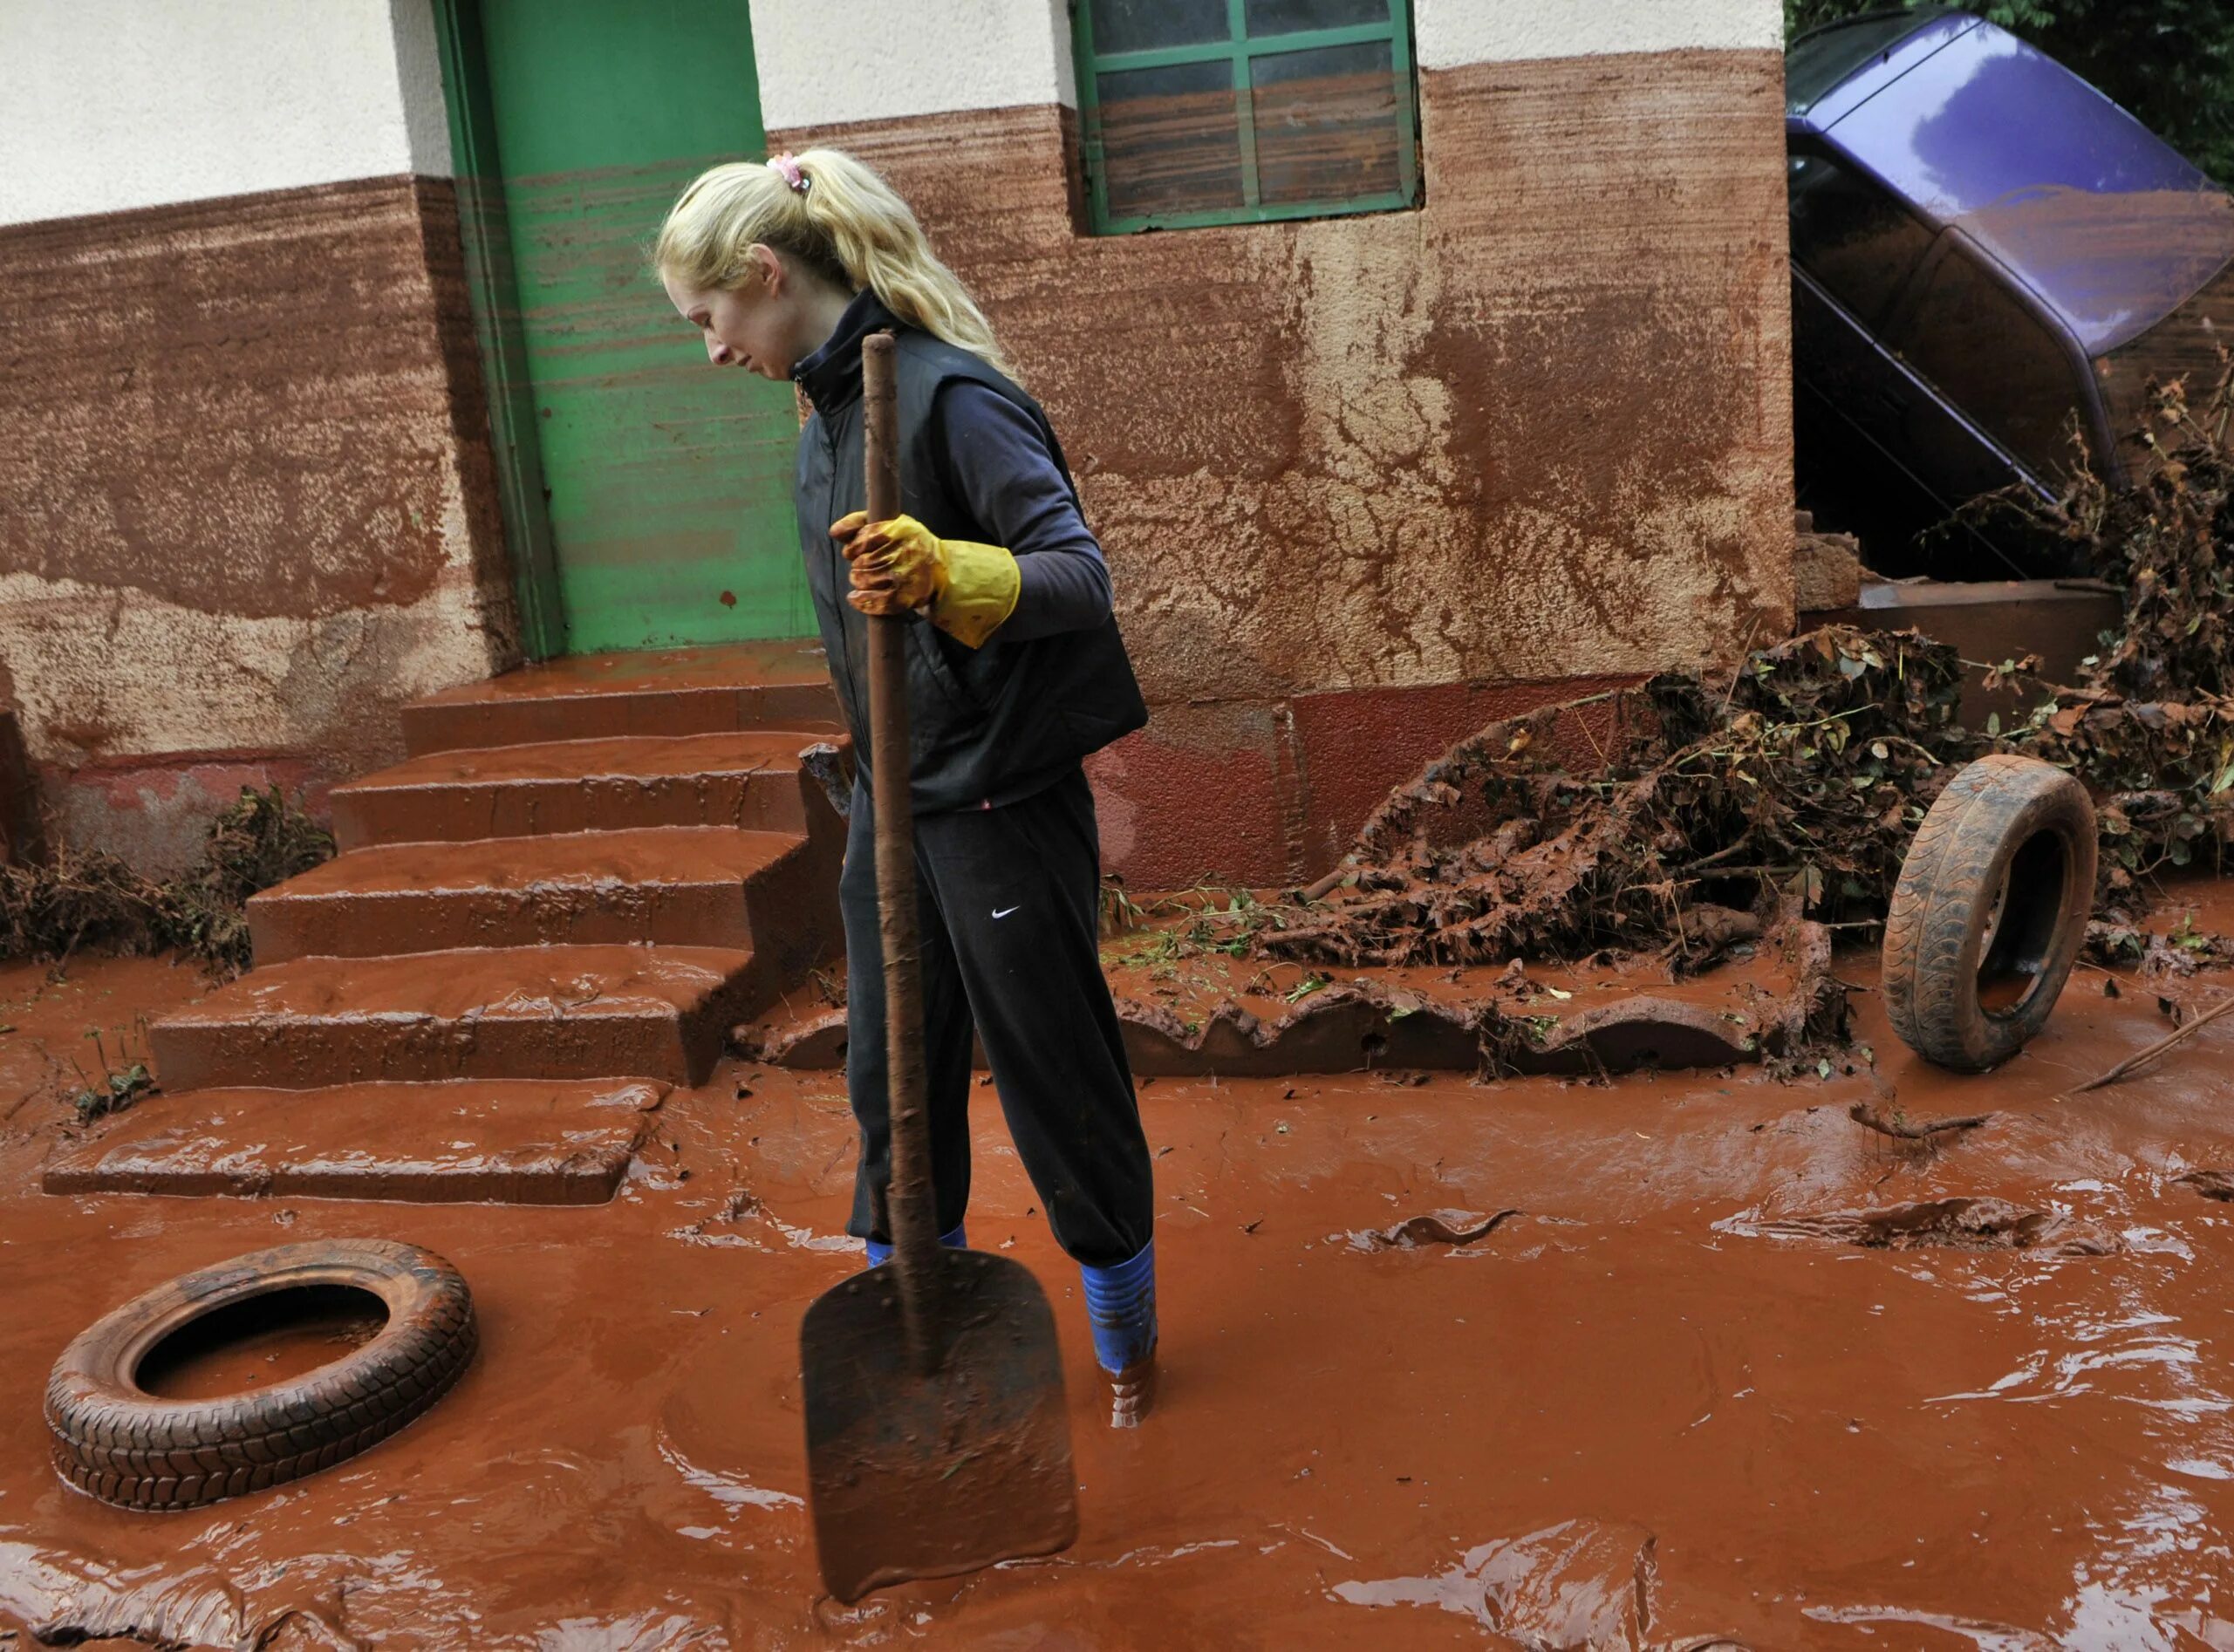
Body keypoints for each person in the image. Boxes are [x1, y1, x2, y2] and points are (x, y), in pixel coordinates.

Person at [655, 148, 1160, 1423]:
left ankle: (1126, 1349)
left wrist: (950, 570)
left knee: (1055, 1075)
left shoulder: (945, 399)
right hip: (896, 796)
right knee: (892, 1071)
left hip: (996, 799)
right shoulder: (824, 422)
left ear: (765, 275)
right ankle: (907, 1327)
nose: (710, 350)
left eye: (709, 318)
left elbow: (1078, 577)